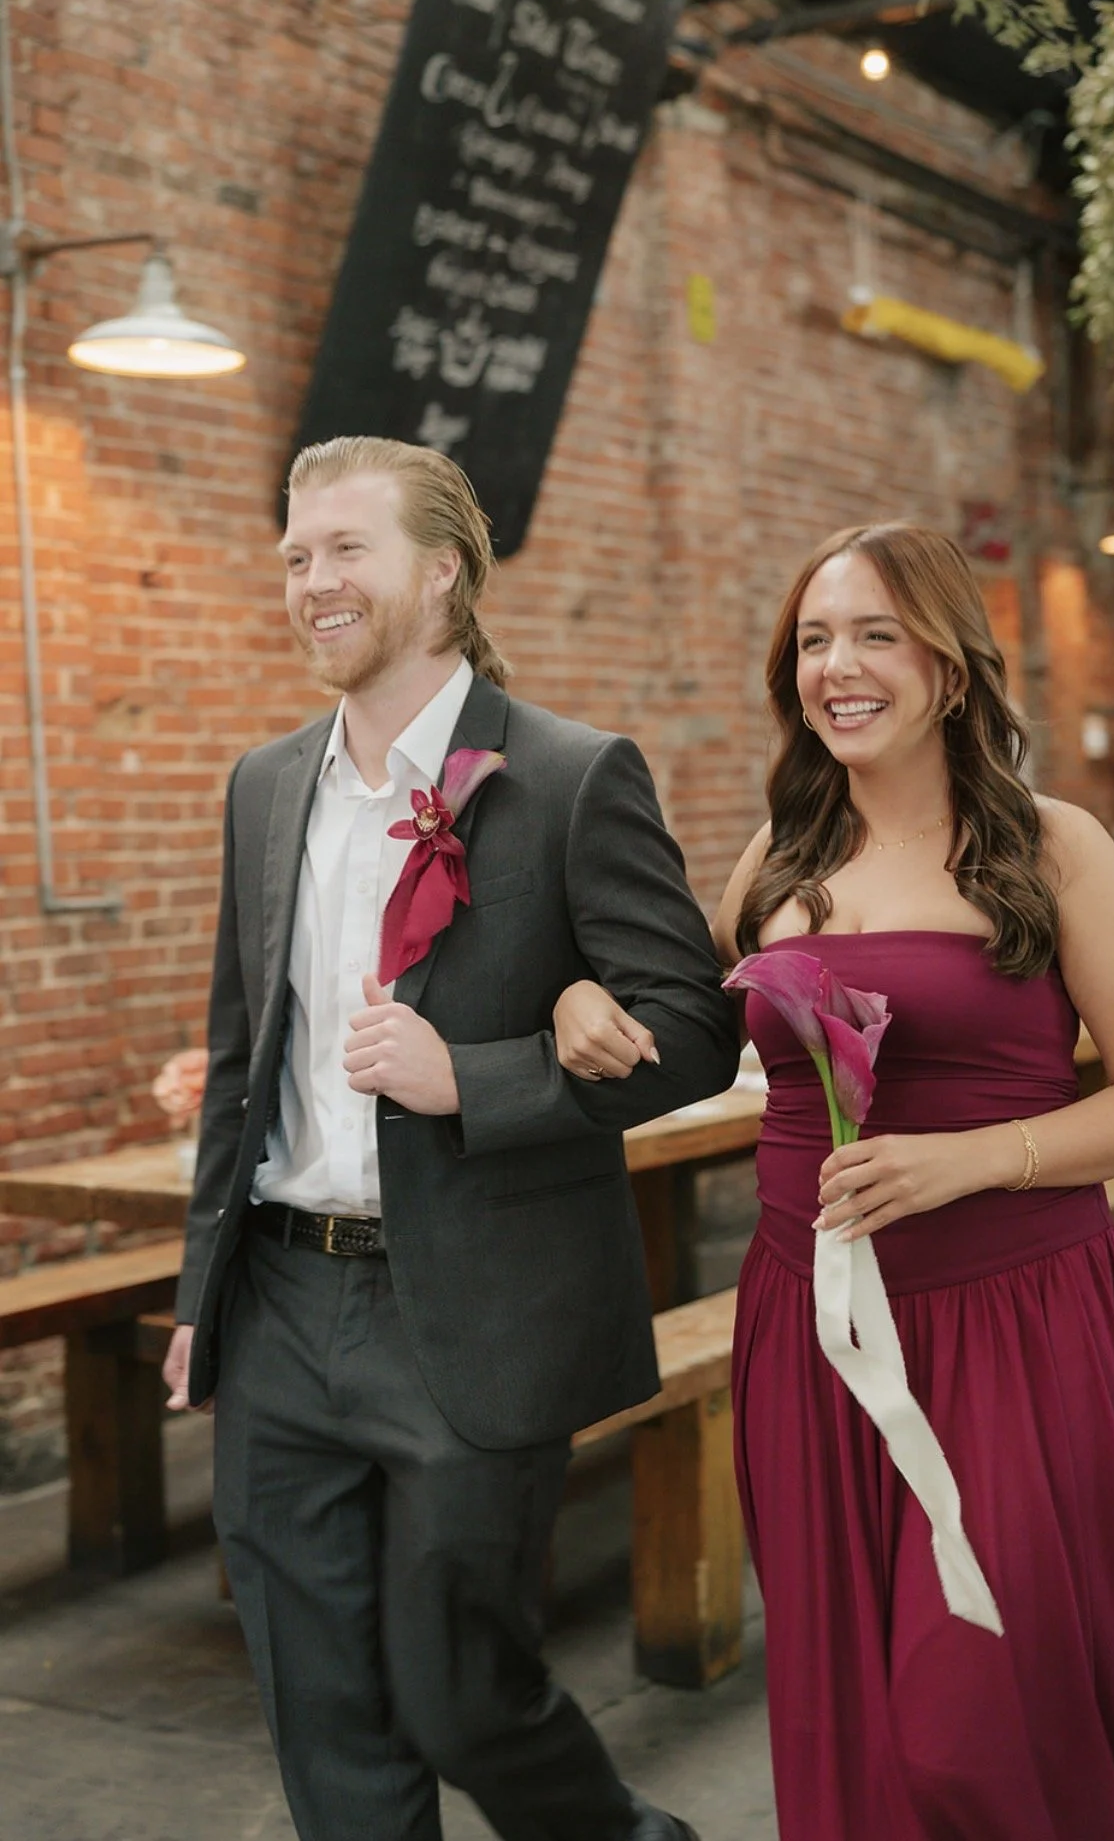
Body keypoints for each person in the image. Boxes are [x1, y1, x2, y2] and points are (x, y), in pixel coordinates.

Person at [554, 524, 1114, 1839]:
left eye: (875, 635)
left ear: (950, 667)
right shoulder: (779, 856)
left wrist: (976, 1159)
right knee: (866, 1712)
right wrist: (574, 999)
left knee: (979, 1720)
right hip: (811, 1328)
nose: (837, 666)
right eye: (815, 640)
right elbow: (677, 1033)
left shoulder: (1053, 848)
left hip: (1013, 1324)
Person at [161, 435, 738, 1841]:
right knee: (323, 1712)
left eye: (345, 549)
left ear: (442, 571)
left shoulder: (570, 775)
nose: (312, 581)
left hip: (476, 1311)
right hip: (281, 1302)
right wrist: (199, 1299)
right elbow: (242, 1063)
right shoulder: (265, 785)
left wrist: (471, 1080)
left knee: (459, 1694)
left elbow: (695, 1031)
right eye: (296, 555)